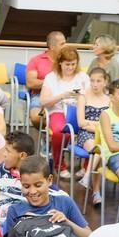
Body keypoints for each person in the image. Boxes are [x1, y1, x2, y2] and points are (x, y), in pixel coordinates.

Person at [41, 46, 88, 175]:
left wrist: (81, 97)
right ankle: (59, 164)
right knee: (60, 132)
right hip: (58, 110)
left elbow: (91, 97)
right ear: (60, 63)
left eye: (73, 64)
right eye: (67, 64)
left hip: (80, 110)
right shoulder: (51, 77)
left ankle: (87, 167)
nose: (70, 67)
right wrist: (62, 95)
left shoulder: (83, 76)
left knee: (92, 131)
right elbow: (44, 101)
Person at [0, 131, 35, 224]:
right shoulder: (2, 169)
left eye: (8, 151)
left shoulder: (36, 173)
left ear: (22, 155)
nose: (4, 154)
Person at [26, 31, 65, 128]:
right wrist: (50, 82)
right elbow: (30, 83)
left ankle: (54, 134)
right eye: (62, 44)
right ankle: (48, 134)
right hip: (39, 96)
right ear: (52, 46)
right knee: (36, 117)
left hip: (63, 95)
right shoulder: (36, 60)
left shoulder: (68, 61)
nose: (65, 46)